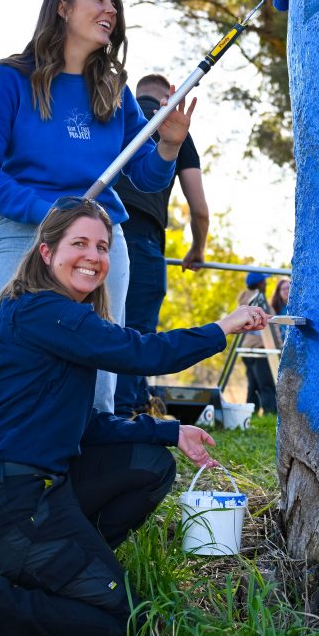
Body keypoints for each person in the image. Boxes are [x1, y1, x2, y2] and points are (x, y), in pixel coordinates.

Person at [0, 199, 268, 636]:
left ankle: (70, 563)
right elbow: (141, 350)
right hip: (3, 498)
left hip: (22, 490)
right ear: (46, 252)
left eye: (102, 246)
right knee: (123, 622)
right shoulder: (42, 310)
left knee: (150, 462)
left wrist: (170, 430)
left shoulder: (59, 324)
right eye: (78, 243)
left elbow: (87, 427)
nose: (94, 256)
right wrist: (222, 327)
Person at [0, 0, 197, 552]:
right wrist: (54, 214)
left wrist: (168, 143)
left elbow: (143, 176)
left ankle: (66, 500)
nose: (111, 10)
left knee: (98, 371)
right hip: (28, 232)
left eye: (115, 3)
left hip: (104, 239)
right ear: (64, 7)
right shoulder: (11, 81)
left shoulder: (115, 92)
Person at [113, 72, 210, 419]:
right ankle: (124, 420)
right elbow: (198, 209)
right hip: (141, 239)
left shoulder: (114, 111)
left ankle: (133, 406)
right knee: (136, 335)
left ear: (138, 94)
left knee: (96, 329)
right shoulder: (175, 126)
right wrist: (197, 249)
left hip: (95, 233)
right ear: (164, 95)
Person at [238, 272, 277, 415]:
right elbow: (268, 326)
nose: (266, 285)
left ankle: (250, 414)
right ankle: (270, 413)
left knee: (253, 385)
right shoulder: (258, 301)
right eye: (264, 282)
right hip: (260, 349)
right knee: (266, 384)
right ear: (259, 284)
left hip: (247, 349)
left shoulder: (245, 301)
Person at [270, 277, 291, 343]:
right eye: (284, 289)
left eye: (289, 288)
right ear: (278, 292)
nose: (287, 291)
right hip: (282, 341)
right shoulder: (274, 308)